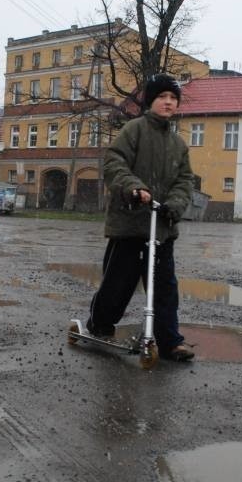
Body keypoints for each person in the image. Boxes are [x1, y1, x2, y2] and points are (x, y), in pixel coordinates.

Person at [86, 73, 195, 361]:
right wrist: (134, 188)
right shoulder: (134, 130)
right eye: (162, 97)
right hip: (131, 224)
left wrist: (175, 203)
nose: (168, 102)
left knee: (164, 289)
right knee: (118, 283)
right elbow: (114, 162)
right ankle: (100, 324)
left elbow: (185, 180)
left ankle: (171, 341)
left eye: (173, 98)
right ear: (151, 101)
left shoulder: (178, 144)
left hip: (161, 227)